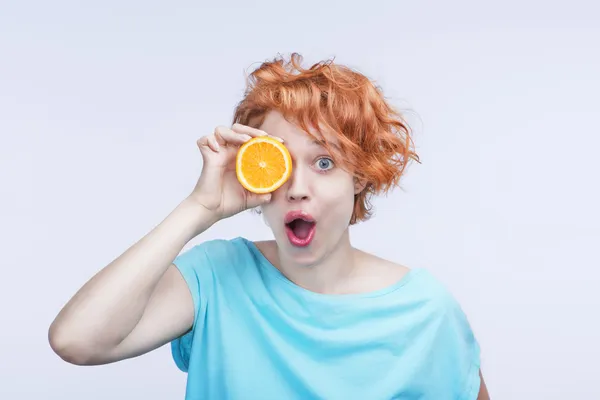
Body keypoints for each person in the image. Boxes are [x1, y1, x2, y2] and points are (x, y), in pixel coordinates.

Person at [48, 53, 489, 399]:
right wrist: (199, 207)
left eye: (323, 162)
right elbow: (77, 341)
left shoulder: (424, 312)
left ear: (358, 176)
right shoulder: (216, 277)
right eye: (280, 163)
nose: (297, 188)